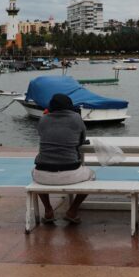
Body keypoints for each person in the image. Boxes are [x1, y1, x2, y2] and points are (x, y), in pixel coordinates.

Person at [32, 93, 94, 224]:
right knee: (92, 176)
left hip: (42, 173)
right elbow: (81, 140)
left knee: (35, 176)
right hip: (70, 173)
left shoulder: (43, 119)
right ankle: (73, 210)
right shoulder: (76, 118)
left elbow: (42, 135)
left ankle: (48, 210)